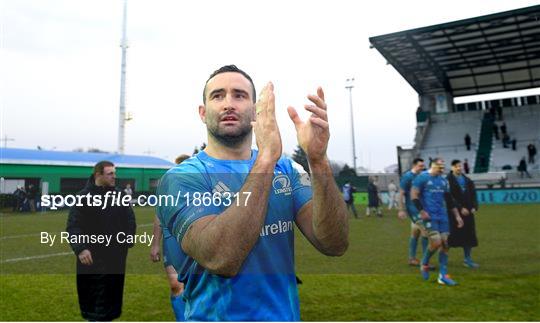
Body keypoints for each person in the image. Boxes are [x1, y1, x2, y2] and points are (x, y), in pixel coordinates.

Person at [156, 65, 349, 321]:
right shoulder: (182, 177)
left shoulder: (288, 169)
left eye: (239, 95)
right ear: (203, 113)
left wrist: (318, 161)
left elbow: (333, 243)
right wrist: (267, 159)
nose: (228, 104)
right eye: (217, 96)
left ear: (256, 109)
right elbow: (221, 258)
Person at [66, 161, 137, 321]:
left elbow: (130, 220)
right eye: (110, 173)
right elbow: (73, 226)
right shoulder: (84, 197)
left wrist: (128, 238)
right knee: (95, 305)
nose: (114, 177)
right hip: (92, 259)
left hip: (116, 259)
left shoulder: (120, 195)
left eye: (114, 173)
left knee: (111, 302)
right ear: (98, 175)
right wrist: (81, 249)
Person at [150, 154, 191, 321]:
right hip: (172, 242)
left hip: (196, 242)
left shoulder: (200, 186)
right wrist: (155, 245)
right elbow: (159, 216)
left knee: (196, 286)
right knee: (176, 285)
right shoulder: (167, 188)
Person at [411, 157, 463, 286]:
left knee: (446, 244)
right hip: (429, 216)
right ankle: (424, 263)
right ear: (432, 165)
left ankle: (443, 275)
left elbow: (449, 200)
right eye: (439, 165)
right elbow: (414, 195)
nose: (442, 168)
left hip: (442, 216)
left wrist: (457, 216)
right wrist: (422, 211)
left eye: (443, 165)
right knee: (436, 242)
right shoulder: (422, 178)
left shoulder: (444, 181)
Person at [398, 158, 430, 267]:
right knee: (426, 233)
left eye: (423, 166)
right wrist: (401, 209)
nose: (422, 168)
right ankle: (426, 261)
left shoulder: (422, 176)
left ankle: (411, 258)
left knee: (415, 233)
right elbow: (401, 193)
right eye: (420, 166)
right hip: (413, 209)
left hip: (421, 208)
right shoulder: (407, 177)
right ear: (414, 165)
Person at [447, 160, 480, 268]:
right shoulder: (447, 181)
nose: (459, 168)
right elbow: (449, 197)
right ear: (452, 168)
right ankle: (443, 259)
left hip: (468, 213)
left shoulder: (467, 180)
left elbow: (473, 194)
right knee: (450, 237)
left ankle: (467, 259)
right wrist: (460, 208)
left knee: (469, 236)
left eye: (460, 166)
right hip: (453, 213)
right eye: (456, 166)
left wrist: (474, 206)